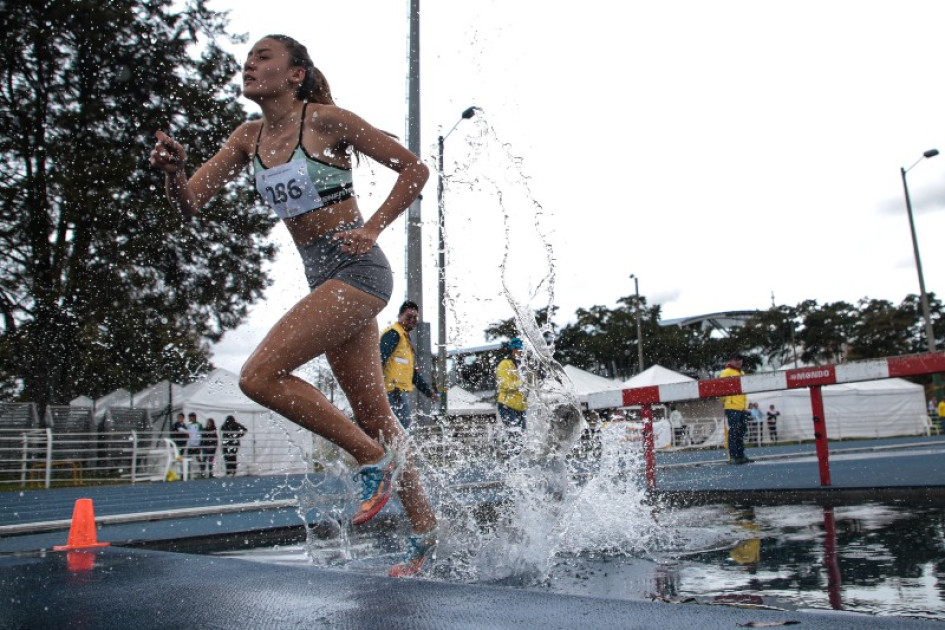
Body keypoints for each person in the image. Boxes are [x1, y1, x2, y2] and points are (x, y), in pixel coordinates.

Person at [150, 34, 436, 577]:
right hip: (323, 279)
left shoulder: (327, 120)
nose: (250, 64)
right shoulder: (246, 137)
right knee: (377, 418)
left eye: (263, 57)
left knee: (258, 376)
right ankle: (424, 533)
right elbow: (191, 203)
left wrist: (372, 227)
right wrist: (172, 175)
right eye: (248, 58)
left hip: (358, 270)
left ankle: (372, 462)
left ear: (295, 74)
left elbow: (415, 169)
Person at [379, 301, 440, 429]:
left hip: (397, 391)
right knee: (403, 430)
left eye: (415, 317)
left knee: (398, 430)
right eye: (408, 317)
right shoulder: (394, 333)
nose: (412, 320)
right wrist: (376, 388)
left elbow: (412, 373)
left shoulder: (405, 338)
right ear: (399, 316)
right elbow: (379, 360)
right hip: (391, 391)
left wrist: (428, 392)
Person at [496, 337, 528, 454]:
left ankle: (516, 464)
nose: (522, 353)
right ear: (514, 350)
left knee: (521, 439)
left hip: (521, 407)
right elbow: (505, 385)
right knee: (514, 436)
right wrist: (524, 383)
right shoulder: (504, 364)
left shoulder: (522, 365)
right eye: (520, 350)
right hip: (507, 405)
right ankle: (509, 462)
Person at [719, 354, 752, 464]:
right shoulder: (726, 373)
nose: (738, 362)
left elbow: (743, 392)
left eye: (740, 360)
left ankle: (740, 455)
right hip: (732, 406)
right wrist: (726, 402)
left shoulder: (741, 373)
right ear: (731, 360)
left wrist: (744, 406)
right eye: (736, 360)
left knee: (741, 432)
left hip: (741, 407)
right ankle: (733, 456)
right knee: (733, 432)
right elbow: (720, 390)